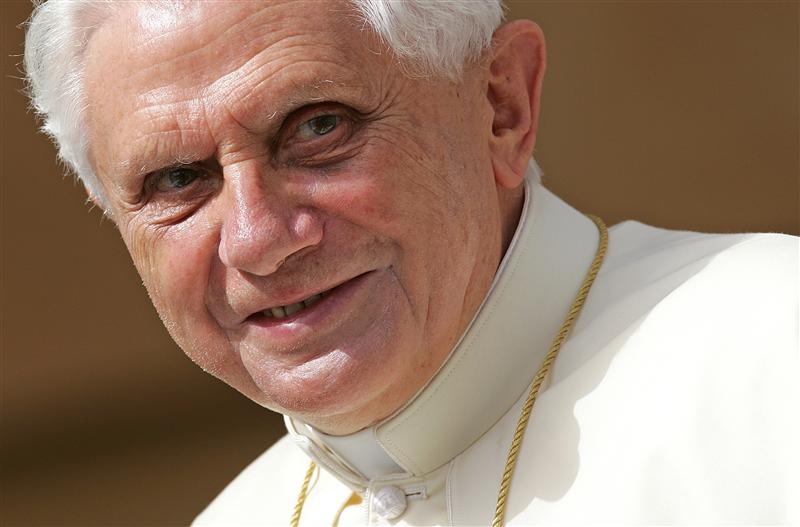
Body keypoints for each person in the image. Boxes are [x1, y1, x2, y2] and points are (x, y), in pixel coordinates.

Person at [23, 1, 798, 525]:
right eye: (177, 180)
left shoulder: (771, 362)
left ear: (502, 106)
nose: (257, 238)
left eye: (317, 126)